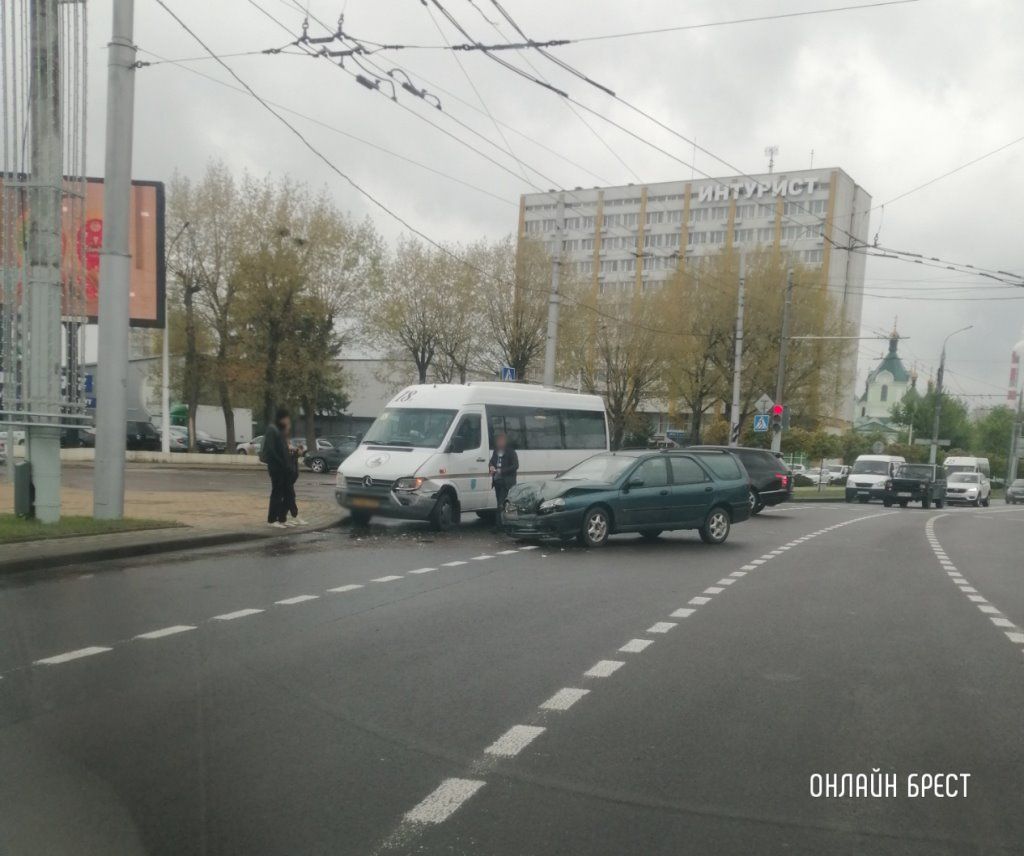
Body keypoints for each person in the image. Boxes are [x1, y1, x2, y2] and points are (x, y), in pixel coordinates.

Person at [261, 407, 291, 528]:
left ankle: (280, 518)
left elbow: (284, 448)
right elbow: (271, 450)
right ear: (281, 418)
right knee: (277, 493)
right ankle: (272, 519)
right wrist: (281, 462)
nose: (288, 421)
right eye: (286, 418)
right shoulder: (272, 429)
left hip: (281, 467)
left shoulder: (279, 430)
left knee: (282, 493)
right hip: (276, 467)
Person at [489, 432, 519, 525]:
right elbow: (491, 462)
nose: (499, 442)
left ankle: (502, 524)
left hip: (507, 482)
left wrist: (502, 471)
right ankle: (501, 524)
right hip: (497, 481)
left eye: (501, 441)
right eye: (498, 441)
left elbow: (515, 466)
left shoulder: (511, 452)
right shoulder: (496, 451)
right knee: (499, 503)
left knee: (502, 503)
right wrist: (491, 466)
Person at [284, 425, 309, 527]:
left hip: (290, 478)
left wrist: (298, 450)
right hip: (285, 478)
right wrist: (292, 450)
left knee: (288, 498)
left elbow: (295, 455)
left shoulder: (289, 447)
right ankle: (294, 516)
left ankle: (284, 518)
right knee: (290, 497)